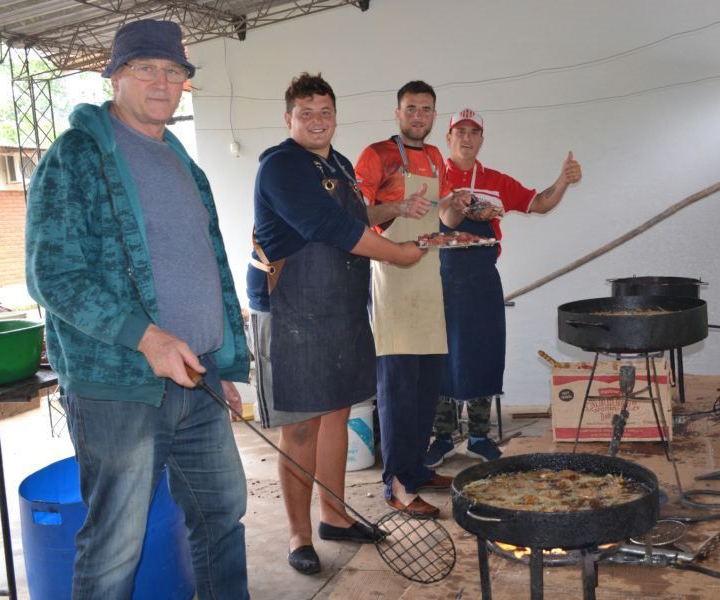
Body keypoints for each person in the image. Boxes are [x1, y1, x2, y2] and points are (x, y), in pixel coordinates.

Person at [24, 19, 251, 599]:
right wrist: (146, 337)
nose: (161, 81)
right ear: (116, 77)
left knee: (223, 517)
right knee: (115, 544)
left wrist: (221, 361)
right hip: (118, 387)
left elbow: (209, 269)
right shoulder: (75, 156)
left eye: (173, 71)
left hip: (196, 377)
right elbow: (52, 274)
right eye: (145, 68)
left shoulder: (182, 162)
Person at [247, 73, 424, 575]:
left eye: (325, 112)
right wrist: (399, 254)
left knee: (337, 413)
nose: (318, 121)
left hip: (341, 305)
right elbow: (330, 227)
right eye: (307, 113)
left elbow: (355, 212)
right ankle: (299, 534)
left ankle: (335, 516)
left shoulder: (338, 163)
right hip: (293, 309)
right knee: (301, 424)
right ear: (289, 119)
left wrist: (393, 209)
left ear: (335, 116)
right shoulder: (281, 165)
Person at [424, 108, 583, 467]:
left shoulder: (496, 180)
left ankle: (479, 436)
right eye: (459, 132)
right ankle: (443, 437)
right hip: (437, 279)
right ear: (448, 138)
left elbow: (539, 204)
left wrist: (563, 181)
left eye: (474, 132)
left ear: (481, 139)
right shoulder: (431, 179)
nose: (466, 138)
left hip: (481, 280)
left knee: (484, 352)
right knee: (439, 356)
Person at [354, 81, 469, 519]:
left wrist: (458, 206)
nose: (418, 116)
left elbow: (441, 216)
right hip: (392, 280)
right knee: (398, 391)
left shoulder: (437, 157)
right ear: (397, 112)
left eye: (426, 109)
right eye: (410, 108)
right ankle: (396, 485)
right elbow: (356, 214)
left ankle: (416, 469)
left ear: (434, 116)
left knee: (425, 390)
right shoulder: (377, 154)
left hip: (428, 280)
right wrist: (396, 209)